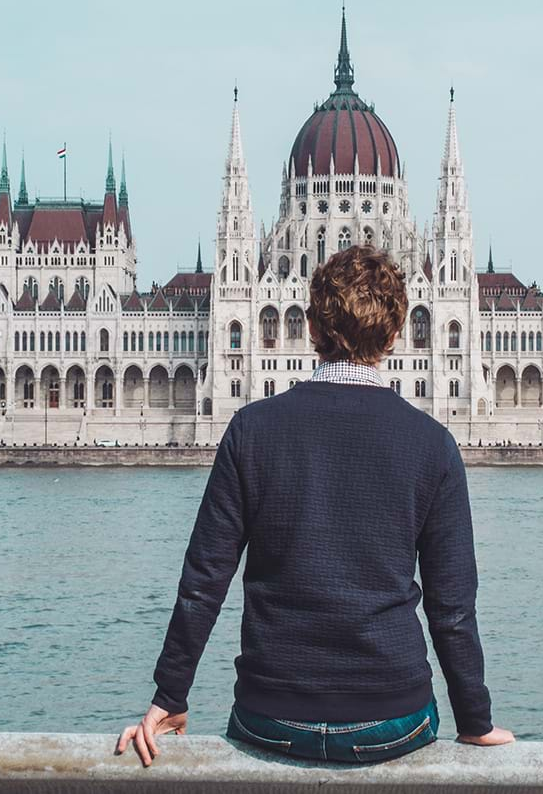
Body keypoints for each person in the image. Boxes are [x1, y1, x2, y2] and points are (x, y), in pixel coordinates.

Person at [117, 245, 512, 766]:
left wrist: (169, 698)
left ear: (312, 328)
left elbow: (203, 580)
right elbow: (452, 608)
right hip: (392, 716)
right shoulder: (432, 444)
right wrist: (475, 721)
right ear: (394, 335)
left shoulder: (251, 430)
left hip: (271, 712)